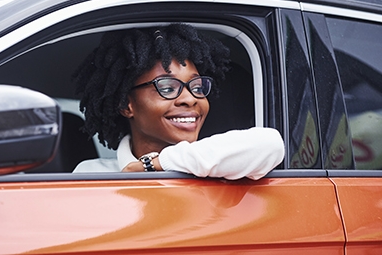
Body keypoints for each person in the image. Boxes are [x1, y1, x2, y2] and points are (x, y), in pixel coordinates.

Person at [72, 23, 284, 179]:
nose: (190, 98)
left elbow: (271, 144)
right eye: (167, 88)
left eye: (198, 87)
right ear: (126, 105)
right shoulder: (92, 175)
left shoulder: (222, 163)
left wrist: (155, 165)